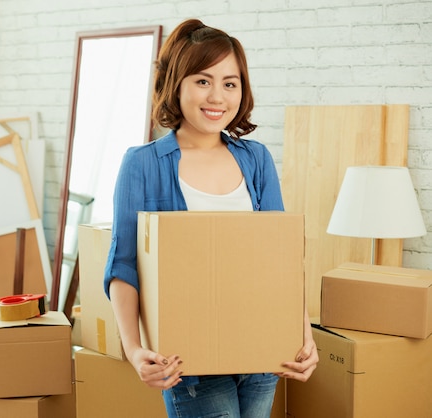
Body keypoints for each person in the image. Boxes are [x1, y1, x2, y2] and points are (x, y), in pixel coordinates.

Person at [103, 18, 319, 418]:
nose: (217, 96)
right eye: (203, 81)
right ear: (177, 85)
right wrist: (135, 351)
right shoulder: (143, 164)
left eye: (229, 83)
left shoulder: (255, 159)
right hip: (188, 363)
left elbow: (282, 261)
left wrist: (303, 338)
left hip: (261, 355)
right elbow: (124, 266)